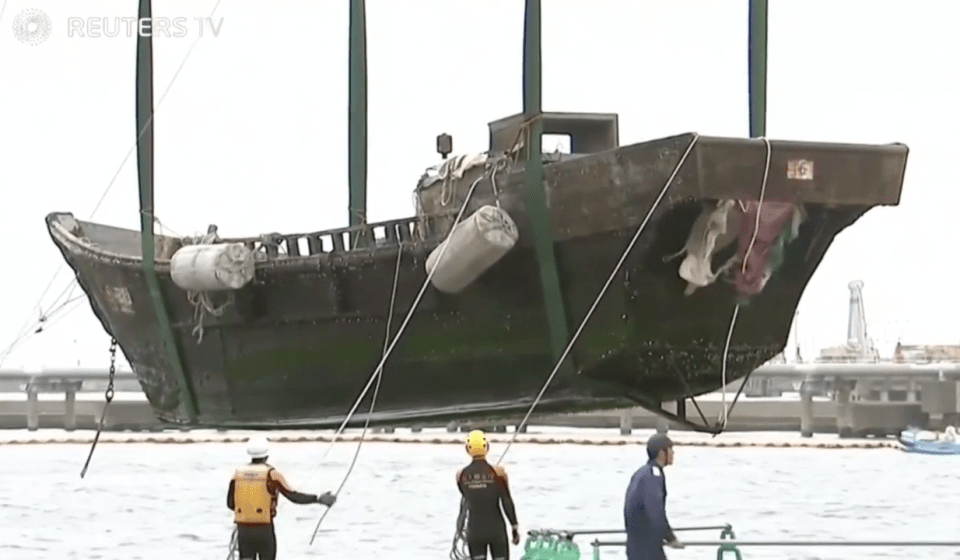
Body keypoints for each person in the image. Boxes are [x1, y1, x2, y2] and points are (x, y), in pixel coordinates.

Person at [227, 436, 337, 560]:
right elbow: (293, 496)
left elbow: (230, 504)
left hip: (244, 531)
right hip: (264, 530)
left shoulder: (237, 474)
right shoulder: (272, 474)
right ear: (267, 454)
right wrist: (318, 499)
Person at [456, 429, 520, 560]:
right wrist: (514, 527)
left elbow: (466, 495)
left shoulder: (460, 475)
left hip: (475, 530)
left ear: (468, 449)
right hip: (496, 530)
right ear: (487, 448)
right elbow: (506, 501)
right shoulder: (499, 473)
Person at [623, 433, 683, 560]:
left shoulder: (642, 473)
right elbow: (655, 511)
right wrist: (671, 538)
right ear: (662, 453)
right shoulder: (653, 476)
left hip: (636, 546)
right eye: (671, 450)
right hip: (647, 549)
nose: (673, 453)